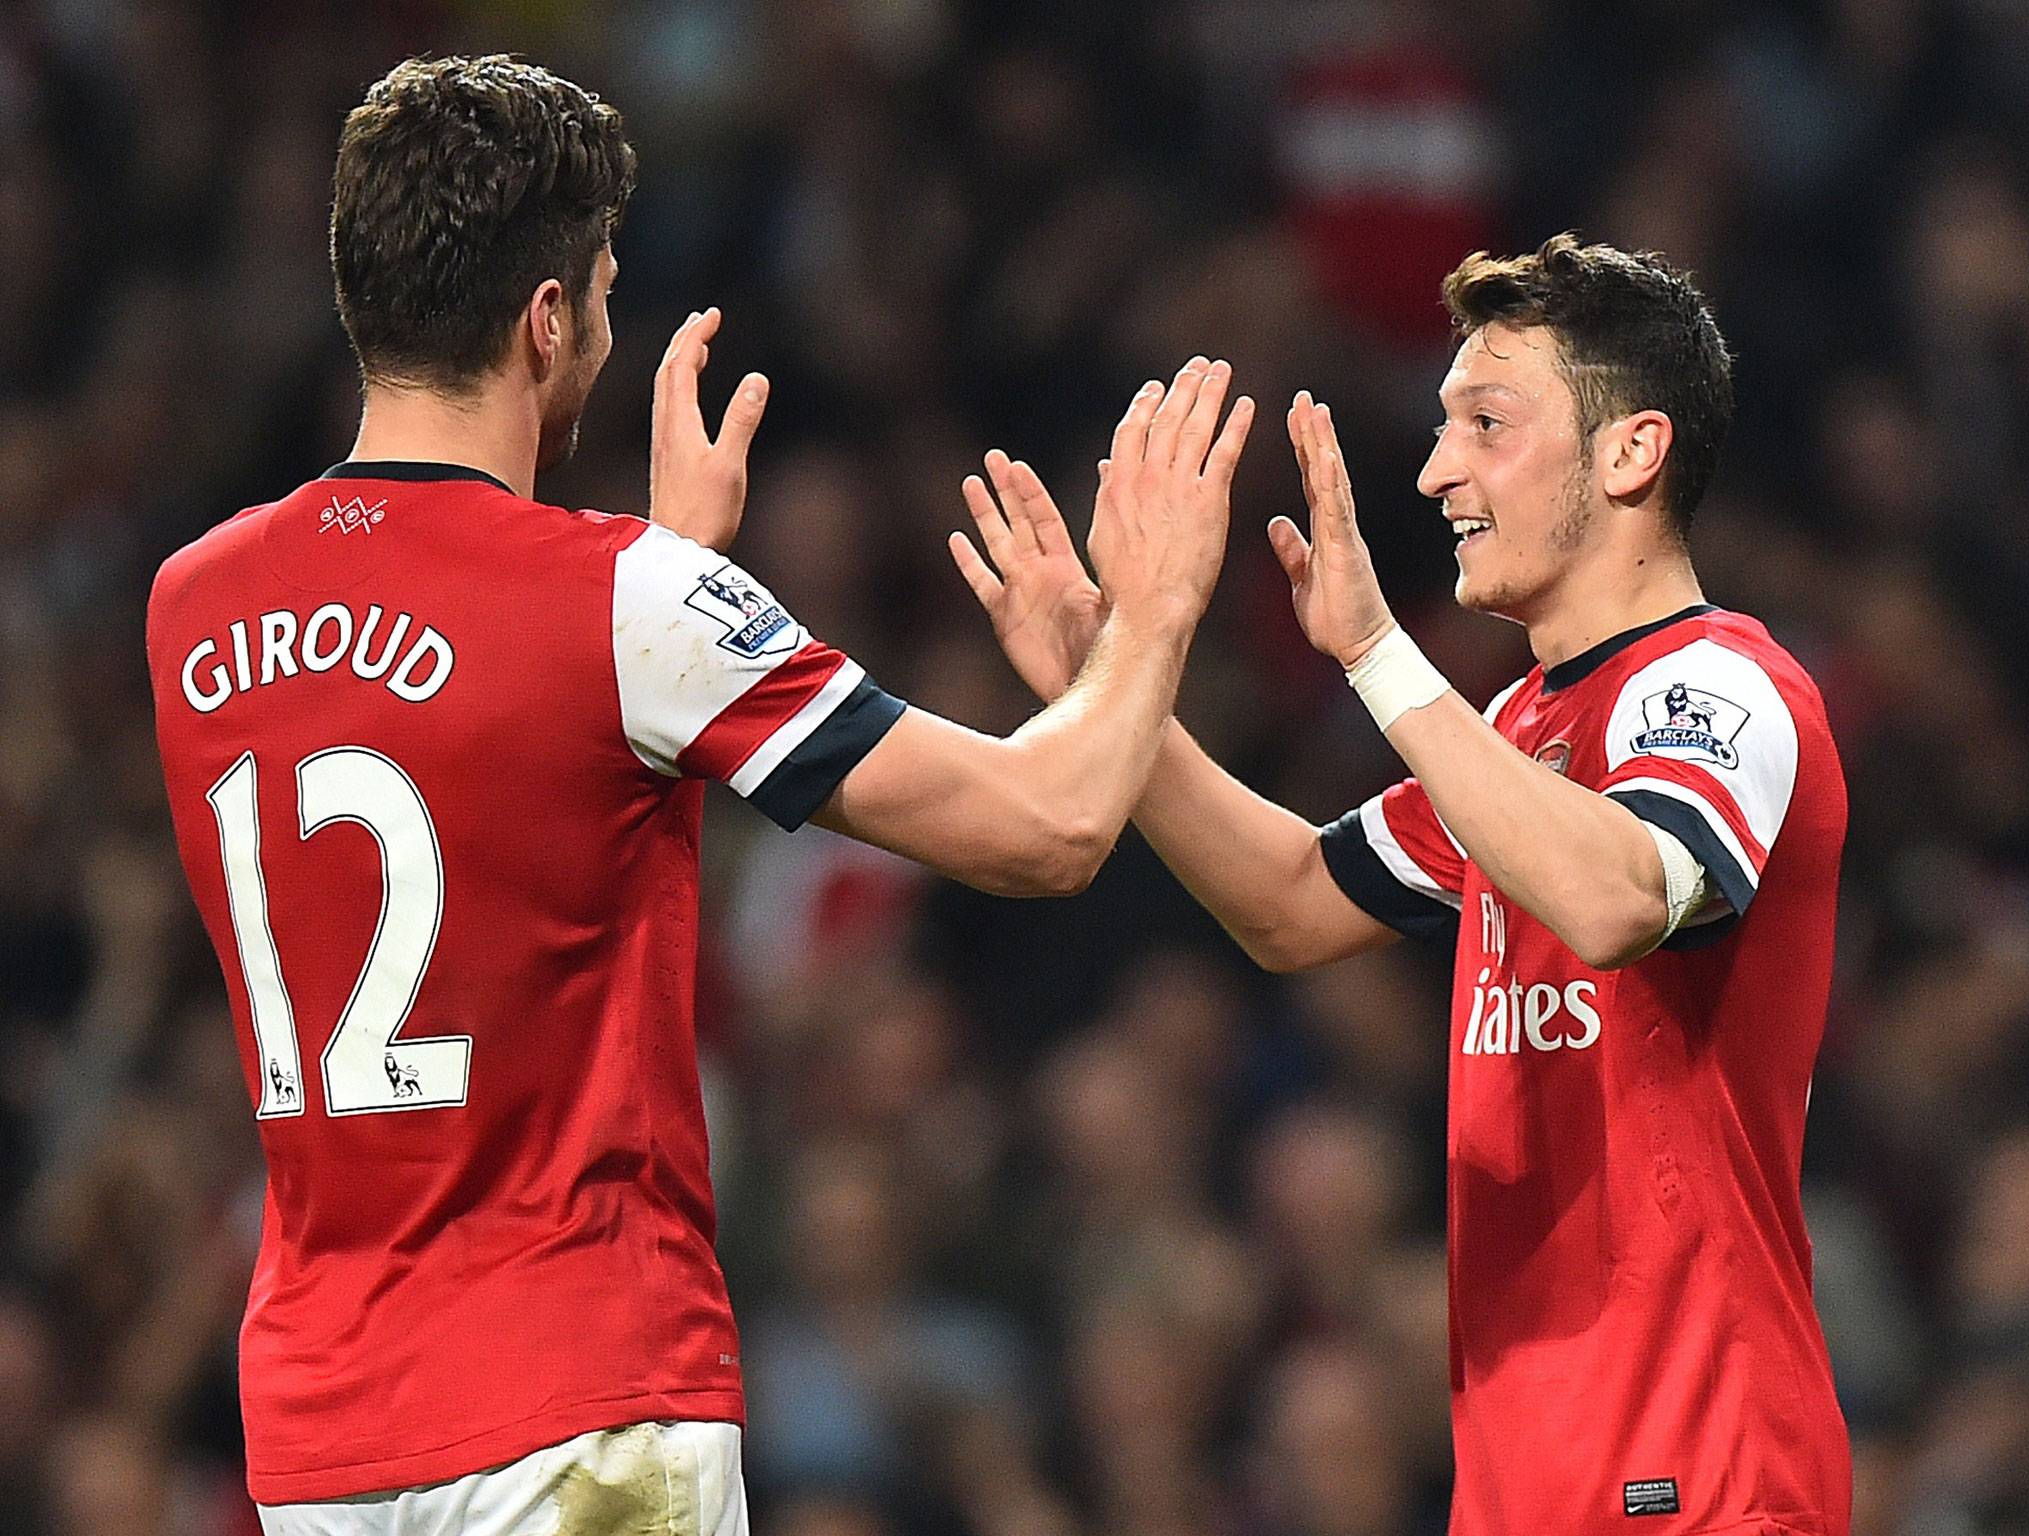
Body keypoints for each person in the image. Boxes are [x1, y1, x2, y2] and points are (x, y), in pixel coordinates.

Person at [144, 55, 1253, 1536]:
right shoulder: (619, 605)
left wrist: (674, 578)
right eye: (601, 291)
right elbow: (1045, 827)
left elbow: (478, 789)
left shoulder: (191, 608)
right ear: (550, 321)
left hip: (325, 1440)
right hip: (580, 1409)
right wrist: (1155, 613)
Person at [953, 235, 1852, 1535]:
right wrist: (1114, 674)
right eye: (1442, 429)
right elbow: (1291, 900)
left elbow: (1617, 898)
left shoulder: (1721, 686)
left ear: (1630, 453)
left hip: (1702, 1472)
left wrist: (1375, 654)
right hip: (1519, 1486)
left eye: (1487, 425)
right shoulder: (1518, 736)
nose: (1437, 474)